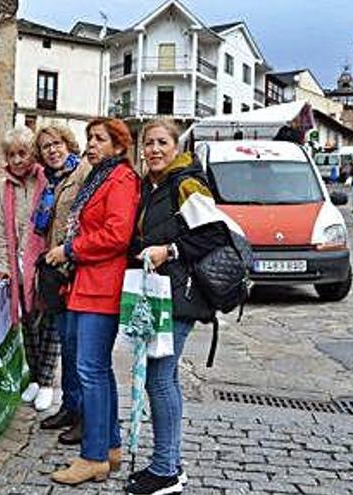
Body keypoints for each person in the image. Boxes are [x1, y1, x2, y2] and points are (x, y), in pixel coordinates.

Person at [126, 119, 228, 495]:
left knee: (160, 378)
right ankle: (170, 464)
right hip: (160, 295)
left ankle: (166, 470)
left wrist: (168, 250)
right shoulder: (152, 186)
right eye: (148, 143)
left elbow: (214, 235)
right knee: (162, 378)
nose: (154, 149)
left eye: (161, 142)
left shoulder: (185, 182)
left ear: (175, 146)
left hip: (182, 298)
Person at [46, 118, 139, 485]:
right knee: (97, 369)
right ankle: (110, 447)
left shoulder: (120, 179)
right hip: (88, 283)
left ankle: (94, 456)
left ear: (118, 146)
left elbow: (117, 234)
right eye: (90, 138)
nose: (92, 144)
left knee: (90, 370)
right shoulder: (100, 176)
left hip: (103, 284)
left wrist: (70, 249)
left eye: (100, 139)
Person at [0, 127, 50, 409]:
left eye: (23, 153)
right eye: (12, 155)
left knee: (48, 324)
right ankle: (34, 377)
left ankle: (47, 381)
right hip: (18, 265)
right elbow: (0, 228)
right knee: (27, 323)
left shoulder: (45, 181)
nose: (18, 160)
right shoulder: (4, 188)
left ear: (32, 153)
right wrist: (3, 263)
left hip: (44, 263)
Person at [34, 124, 92, 439]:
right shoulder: (53, 182)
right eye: (46, 147)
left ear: (68, 144)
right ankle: (70, 407)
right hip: (59, 271)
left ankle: (82, 415)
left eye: (56, 144)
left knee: (78, 347)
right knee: (67, 344)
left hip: (77, 270)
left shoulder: (82, 173)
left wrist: (69, 252)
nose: (53, 150)